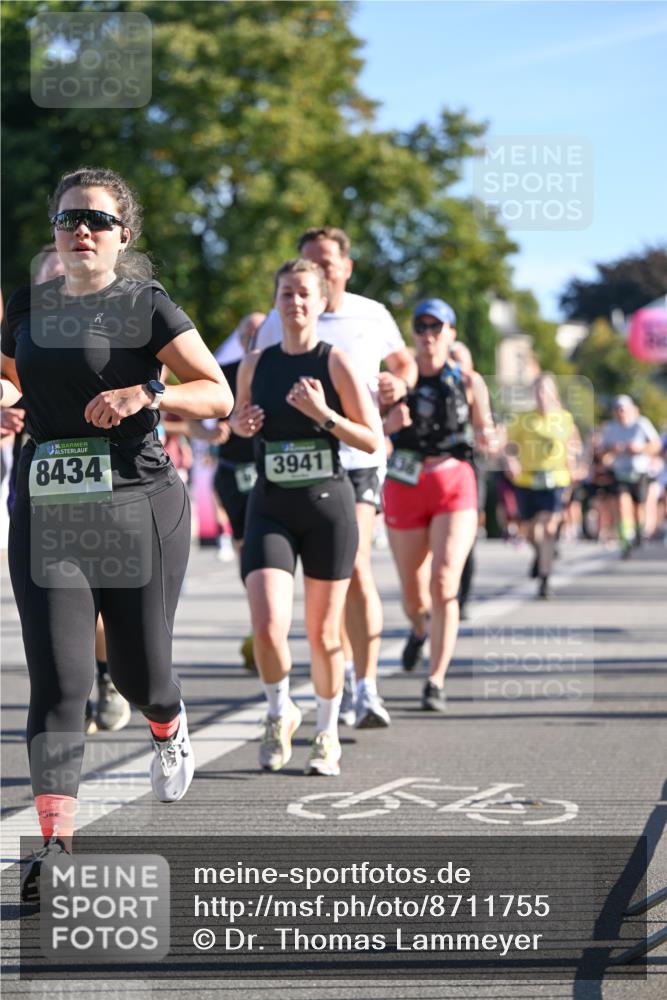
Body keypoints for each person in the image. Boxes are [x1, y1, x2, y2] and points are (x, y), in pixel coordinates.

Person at [0, 167, 232, 901]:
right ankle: (54, 844)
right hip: (47, 506)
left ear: (123, 235)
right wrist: (7, 405)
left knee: (139, 675)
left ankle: (167, 722)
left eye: (97, 220)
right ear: (54, 230)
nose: (82, 232)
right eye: (69, 219)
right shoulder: (29, 305)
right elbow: (12, 376)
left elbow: (218, 393)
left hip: (137, 503)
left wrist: (149, 391)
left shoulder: (146, 303)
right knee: (62, 681)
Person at [253, 226, 416, 728]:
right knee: (318, 592)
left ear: (344, 268)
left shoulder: (372, 314)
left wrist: (398, 383)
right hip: (292, 470)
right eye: (308, 262)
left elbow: (405, 363)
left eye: (325, 264)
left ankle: (365, 687)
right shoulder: (279, 321)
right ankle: (339, 674)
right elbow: (253, 382)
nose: (317, 271)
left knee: (359, 567)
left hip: (356, 459)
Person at [231, 258, 377, 775]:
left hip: (326, 508)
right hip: (270, 505)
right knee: (269, 626)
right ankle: (278, 711)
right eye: (286, 293)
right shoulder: (255, 362)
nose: (294, 302)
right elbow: (237, 423)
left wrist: (326, 416)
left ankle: (328, 731)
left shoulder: (333, 361)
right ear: (276, 301)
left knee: (324, 634)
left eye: (303, 294)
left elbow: (372, 438)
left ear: (320, 302)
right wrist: (242, 424)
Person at [383, 299, 486, 710]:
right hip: (405, 482)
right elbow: (373, 428)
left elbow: (485, 429)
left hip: (453, 481)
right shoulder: (395, 378)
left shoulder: (467, 380)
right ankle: (419, 629)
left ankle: (436, 680)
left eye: (436, 327)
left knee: (445, 582)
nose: (428, 335)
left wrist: (493, 440)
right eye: (421, 326)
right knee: (413, 594)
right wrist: (390, 423)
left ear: (451, 333)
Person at [505, 374, 582, 596]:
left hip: (555, 479)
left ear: (554, 394)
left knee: (549, 528)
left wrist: (574, 467)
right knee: (529, 532)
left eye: (546, 391)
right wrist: (511, 461)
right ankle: (541, 555)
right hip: (527, 479)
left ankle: (544, 580)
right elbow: (508, 445)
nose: (542, 396)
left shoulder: (564, 420)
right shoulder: (522, 419)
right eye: (538, 391)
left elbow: (574, 445)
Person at [448, 340, 497, 620]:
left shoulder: (477, 391)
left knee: (464, 540)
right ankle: (438, 598)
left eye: (459, 359)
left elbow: (491, 438)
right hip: (433, 477)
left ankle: (461, 598)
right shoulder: (428, 387)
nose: (454, 364)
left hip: (468, 473)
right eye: (450, 358)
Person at [600, 395, 661, 556]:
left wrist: (639, 448)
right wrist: (613, 449)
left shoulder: (641, 424)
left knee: (638, 508)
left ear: (631, 409)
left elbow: (656, 445)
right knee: (621, 504)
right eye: (618, 409)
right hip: (620, 473)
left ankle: (639, 531)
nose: (621, 413)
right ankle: (626, 540)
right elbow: (601, 450)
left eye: (624, 409)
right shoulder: (611, 428)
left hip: (639, 472)